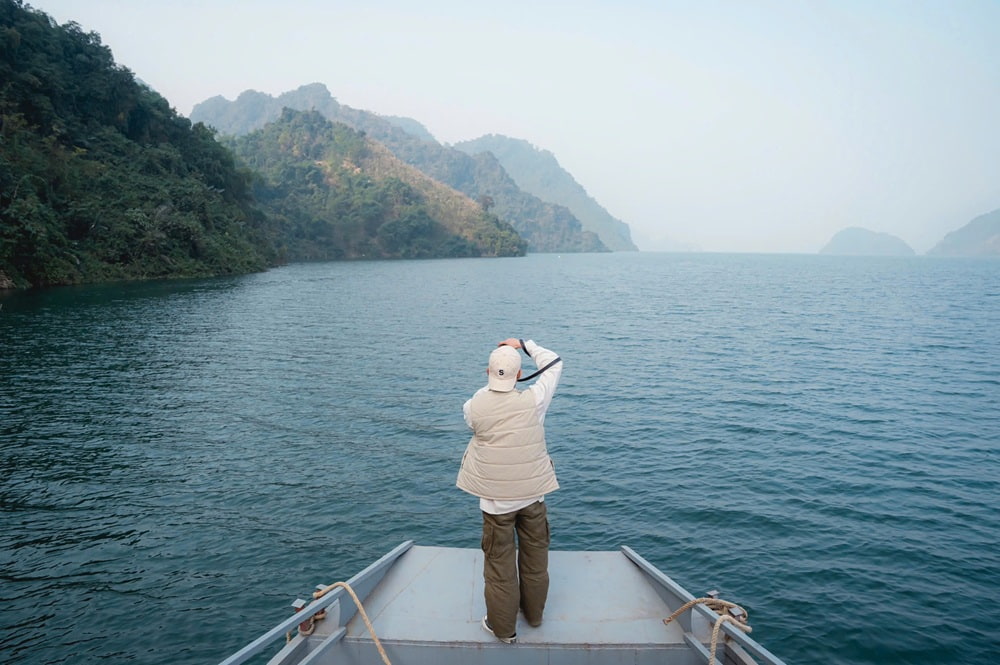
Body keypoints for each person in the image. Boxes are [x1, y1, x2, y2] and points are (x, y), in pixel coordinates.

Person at [456, 337, 563, 644]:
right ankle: (534, 615)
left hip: (495, 502)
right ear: (519, 376)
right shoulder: (535, 400)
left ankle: (503, 630)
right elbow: (555, 364)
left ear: (486, 372)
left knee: (499, 564)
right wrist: (524, 345)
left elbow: (473, 416)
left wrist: (494, 378)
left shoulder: (474, 404)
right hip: (533, 496)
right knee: (535, 558)